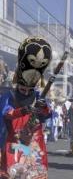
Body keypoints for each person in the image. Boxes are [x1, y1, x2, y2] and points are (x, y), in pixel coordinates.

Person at [0, 37, 52, 178]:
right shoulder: (8, 96)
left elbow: (46, 116)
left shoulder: (39, 97)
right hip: (15, 141)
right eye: (23, 89)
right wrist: (24, 110)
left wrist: (44, 108)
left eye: (29, 90)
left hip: (35, 143)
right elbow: (6, 113)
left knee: (35, 174)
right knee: (14, 174)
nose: (26, 92)